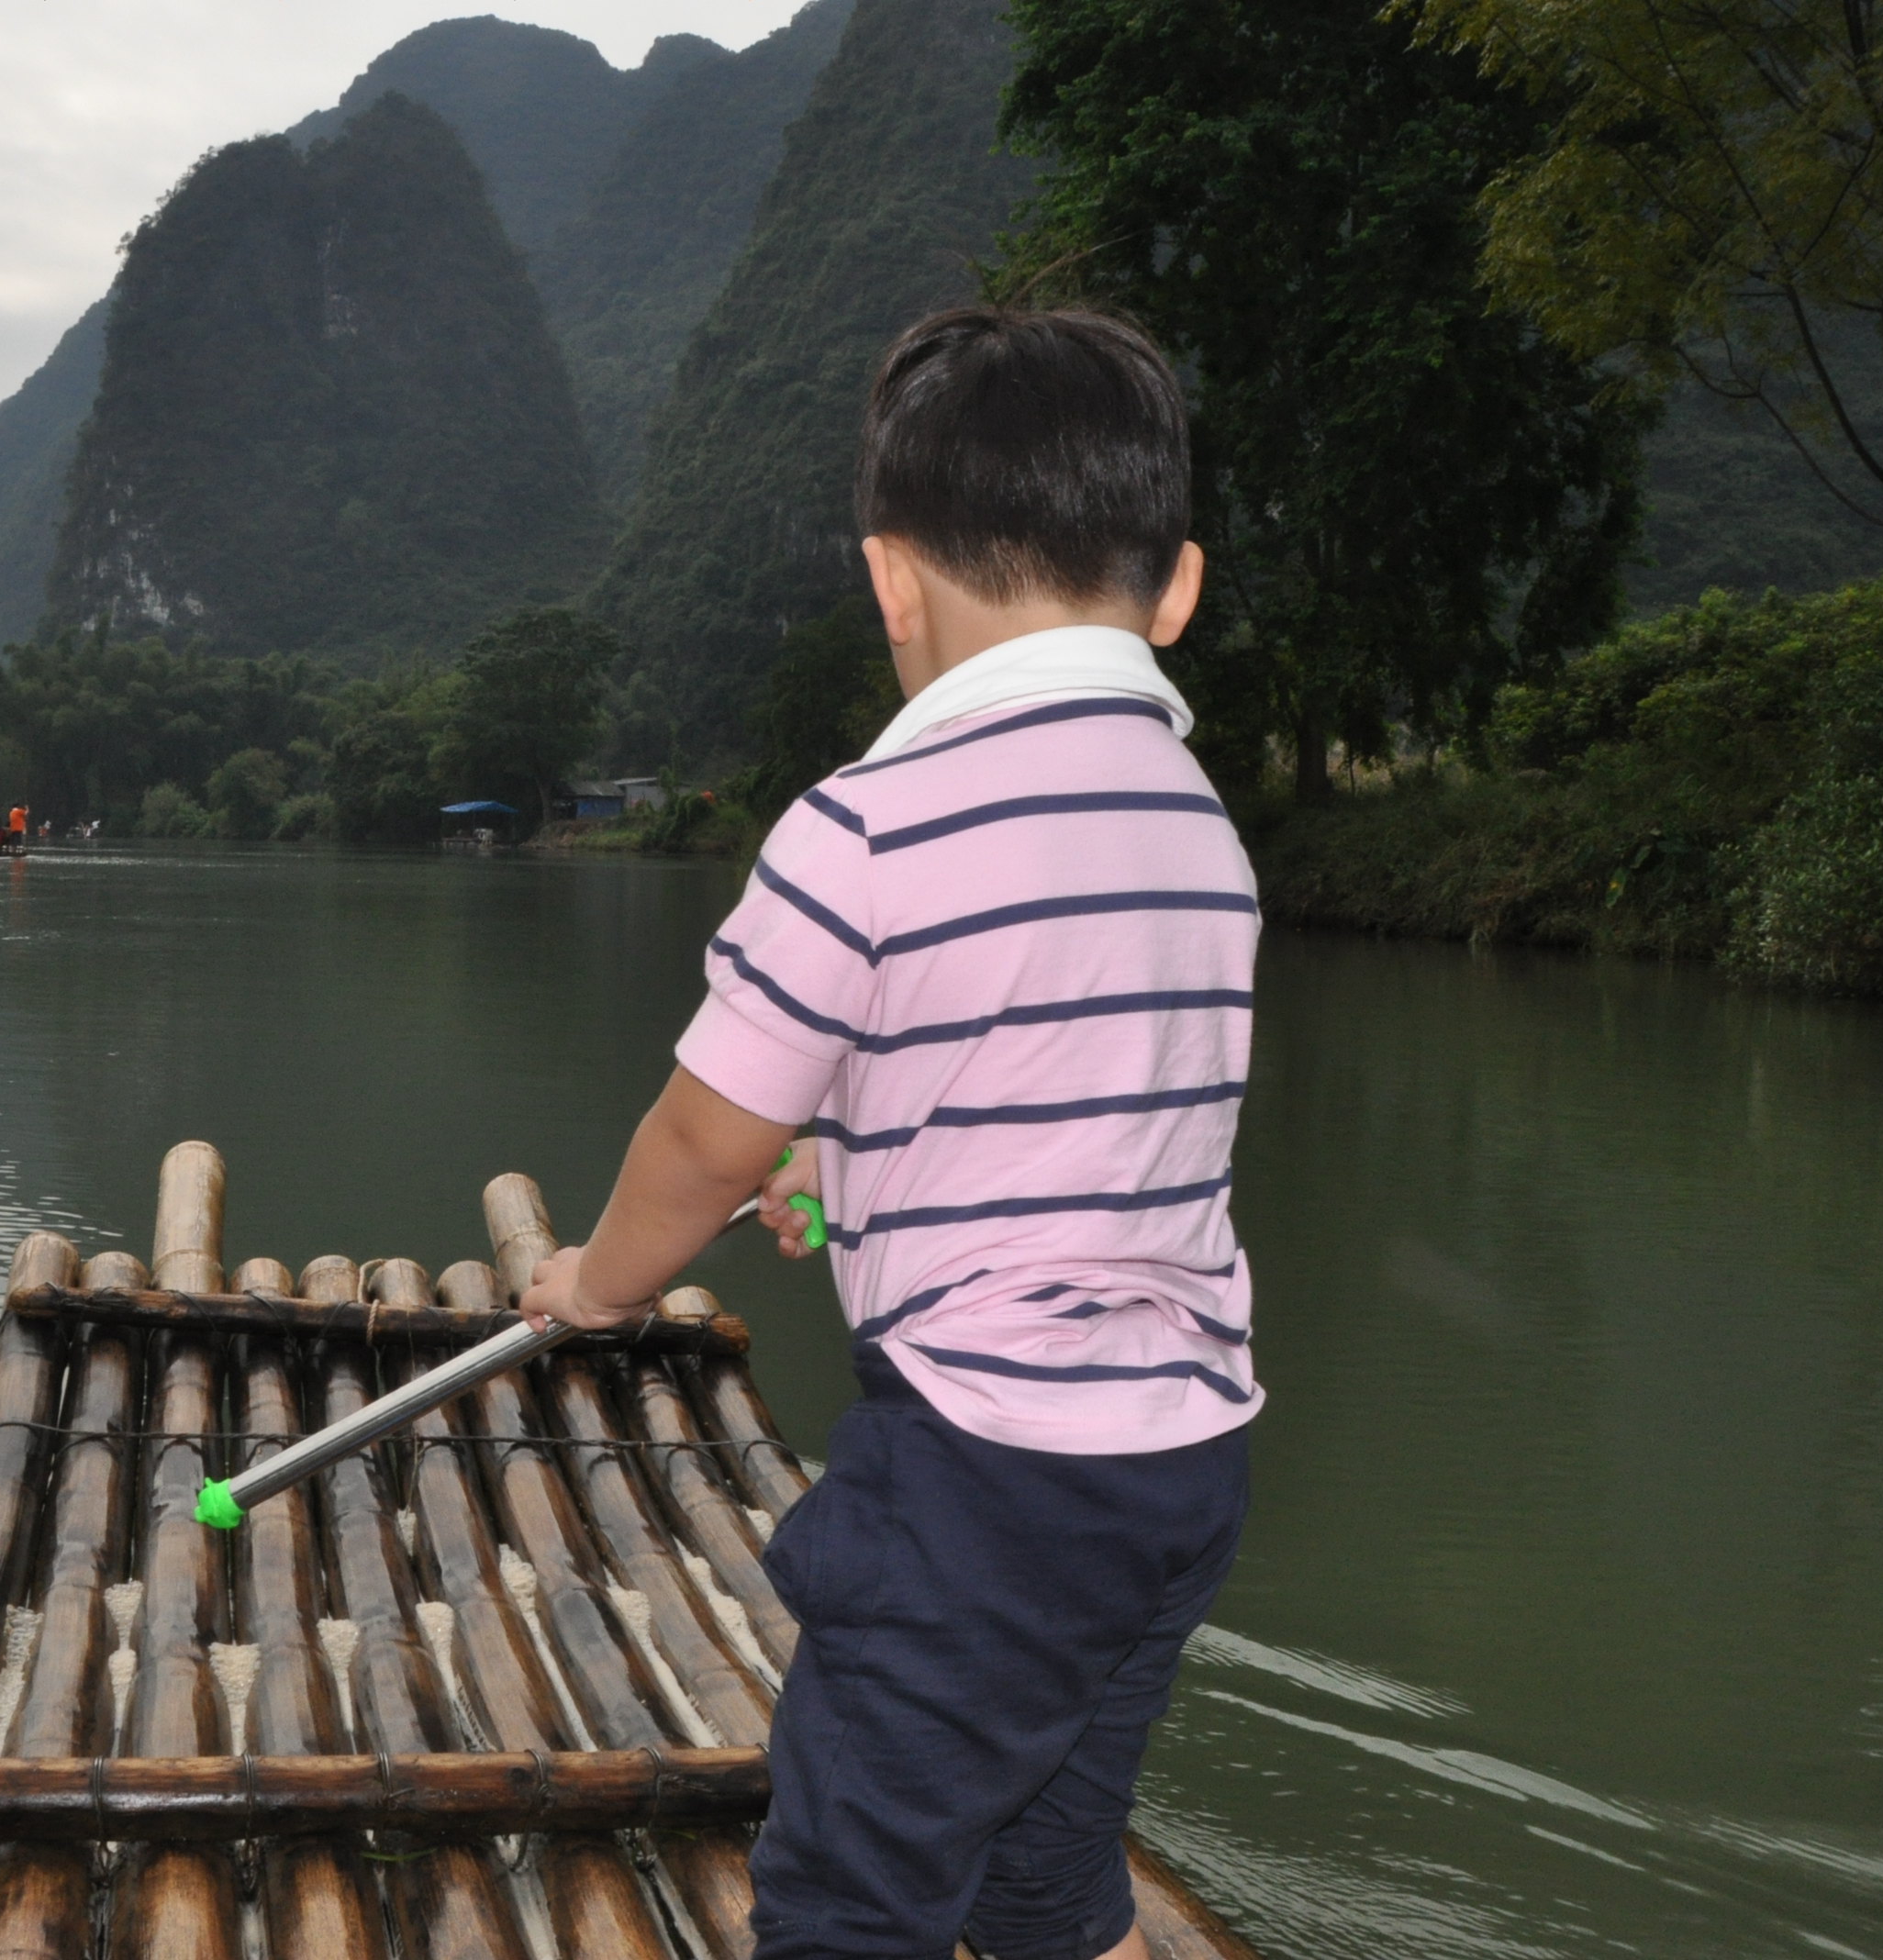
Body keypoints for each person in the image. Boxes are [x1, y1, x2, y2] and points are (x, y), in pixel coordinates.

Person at [517, 307, 1257, 1960]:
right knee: (1055, 1881)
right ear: (1179, 586)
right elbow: (1072, 1109)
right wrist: (845, 1162)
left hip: (986, 1479)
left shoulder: (862, 827)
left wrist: (599, 1285)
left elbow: (703, 1139)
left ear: (891, 584)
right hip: (1181, 1459)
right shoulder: (1197, 825)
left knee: (849, 1901)